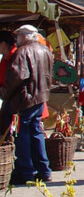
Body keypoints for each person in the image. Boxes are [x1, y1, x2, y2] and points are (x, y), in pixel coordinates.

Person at [4, 25, 54, 185]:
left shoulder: (23, 52)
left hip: (25, 98)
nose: (17, 39)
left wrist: (5, 92)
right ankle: (44, 170)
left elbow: (17, 76)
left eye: (19, 36)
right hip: (40, 97)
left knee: (23, 134)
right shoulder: (45, 51)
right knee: (36, 132)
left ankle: (25, 170)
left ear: (24, 36)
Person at [0, 30, 18, 137]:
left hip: (13, 97)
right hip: (6, 95)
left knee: (9, 126)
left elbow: (16, 78)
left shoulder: (15, 56)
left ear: (3, 44)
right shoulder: (5, 57)